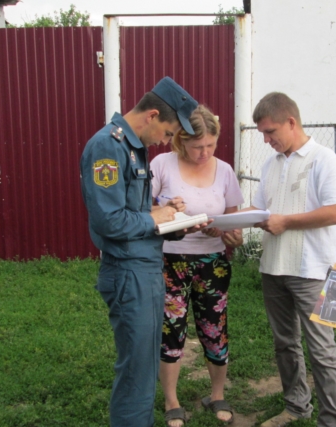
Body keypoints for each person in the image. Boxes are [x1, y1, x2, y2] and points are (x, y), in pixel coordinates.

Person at [80, 76, 206, 427]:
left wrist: (173, 219)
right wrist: (156, 219)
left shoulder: (133, 148)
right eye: (168, 133)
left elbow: (134, 211)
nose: (167, 142)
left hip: (146, 269)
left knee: (145, 364)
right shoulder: (108, 146)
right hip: (128, 272)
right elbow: (109, 220)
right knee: (137, 369)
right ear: (152, 115)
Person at [248, 92, 336, 427]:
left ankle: (333, 421)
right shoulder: (271, 164)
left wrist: (286, 221)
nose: (266, 140)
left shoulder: (324, 159)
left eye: (270, 131)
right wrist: (226, 222)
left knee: (322, 349)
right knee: (285, 343)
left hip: (314, 270)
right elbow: (260, 210)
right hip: (273, 267)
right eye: (262, 133)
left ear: (292, 122)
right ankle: (296, 406)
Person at [150, 105, 244, 427]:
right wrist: (167, 209)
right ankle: (171, 401)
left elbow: (234, 224)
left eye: (210, 146)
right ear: (181, 140)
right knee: (171, 330)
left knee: (214, 328)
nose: (204, 153)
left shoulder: (225, 171)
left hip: (213, 262)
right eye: (197, 146)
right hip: (170, 260)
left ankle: (217, 394)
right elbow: (143, 211)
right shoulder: (162, 165)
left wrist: (229, 234)